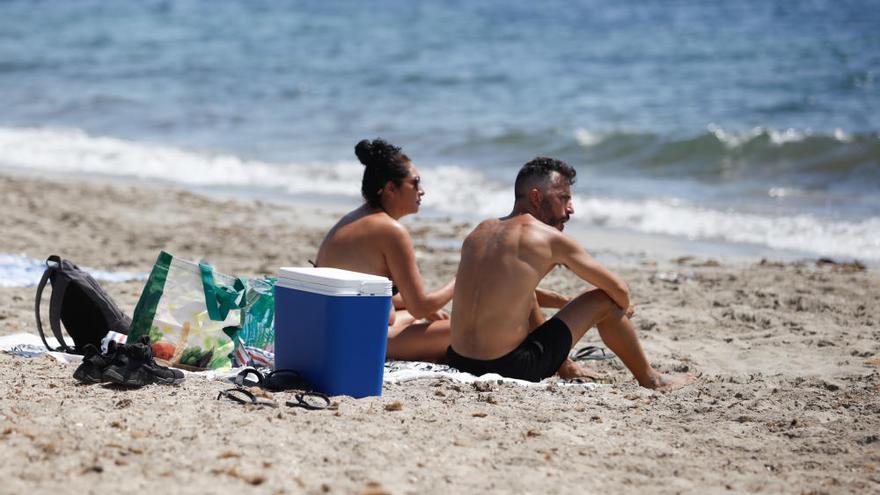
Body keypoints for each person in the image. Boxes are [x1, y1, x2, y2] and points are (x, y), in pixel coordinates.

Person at [448, 156, 696, 390]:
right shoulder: (548, 238)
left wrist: (563, 302)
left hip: (459, 360)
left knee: (526, 295)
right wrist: (622, 307)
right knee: (603, 298)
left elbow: (514, 293)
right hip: (511, 367)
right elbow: (619, 290)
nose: (571, 209)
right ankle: (651, 379)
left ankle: (565, 366)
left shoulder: (481, 231)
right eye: (563, 198)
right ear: (536, 197)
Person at [314, 139, 454, 362]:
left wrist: (420, 309)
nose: (422, 191)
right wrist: (461, 278)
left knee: (423, 319)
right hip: (358, 342)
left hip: (327, 334)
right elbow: (420, 306)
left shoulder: (355, 218)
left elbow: (361, 294)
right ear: (390, 188)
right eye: (415, 183)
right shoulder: (390, 230)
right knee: (464, 331)